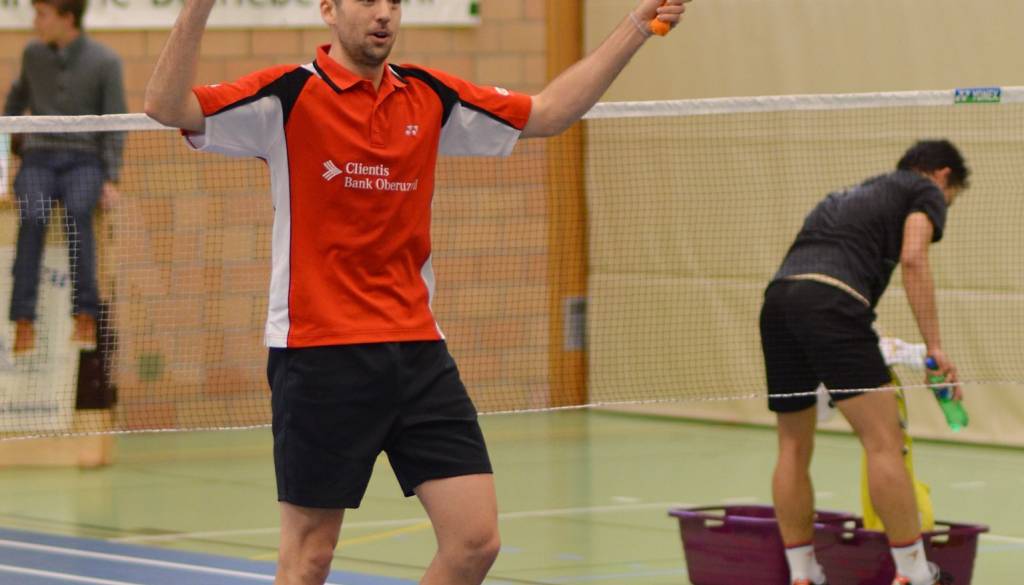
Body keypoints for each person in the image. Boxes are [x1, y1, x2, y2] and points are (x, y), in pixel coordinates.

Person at [144, 0, 693, 583]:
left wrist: (636, 27)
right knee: (309, 558)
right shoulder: (286, 96)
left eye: (394, 2)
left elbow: (550, 112)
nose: (383, 14)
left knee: (474, 542)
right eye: (366, 1)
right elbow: (166, 106)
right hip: (320, 353)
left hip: (417, 352)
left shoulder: (429, 96)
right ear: (328, 10)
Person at [759, 140, 968, 585]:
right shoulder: (924, 190)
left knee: (792, 446)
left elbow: (822, 278)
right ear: (943, 175)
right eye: (949, 200)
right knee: (884, 443)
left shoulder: (843, 197)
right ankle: (914, 574)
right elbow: (913, 257)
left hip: (778, 302)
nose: (943, 208)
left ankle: (802, 575)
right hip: (833, 304)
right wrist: (934, 347)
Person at [4, 0, 126, 354]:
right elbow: (13, 104)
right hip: (38, 159)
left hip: (84, 161)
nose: (36, 22)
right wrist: (14, 151)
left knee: (78, 213)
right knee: (33, 216)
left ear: (67, 18)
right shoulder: (32, 55)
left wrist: (110, 177)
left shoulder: (106, 61)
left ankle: (85, 314)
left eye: (42, 14)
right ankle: (23, 319)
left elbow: (117, 124)